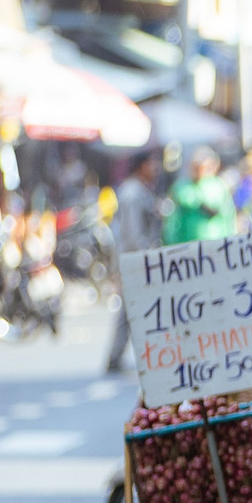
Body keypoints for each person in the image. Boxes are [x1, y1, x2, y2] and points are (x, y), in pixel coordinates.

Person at [102, 153, 166, 375]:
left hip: (137, 259)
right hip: (136, 261)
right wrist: (145, 259)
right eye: (152, 164)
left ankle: (120, 356)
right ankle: (121, 356)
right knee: (134, 308)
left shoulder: (141, 191)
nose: (155, 169)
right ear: (141, 166)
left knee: (132, 310)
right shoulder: (133, 193)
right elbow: (133, 233)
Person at [164, 149, 235, 246]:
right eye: (196, 167)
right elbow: (172, 220)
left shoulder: (219, 186)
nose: (199, 171)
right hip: (186, 246)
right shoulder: (181, 187)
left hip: (216, 244)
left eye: (203, 167)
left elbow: (228, 216)